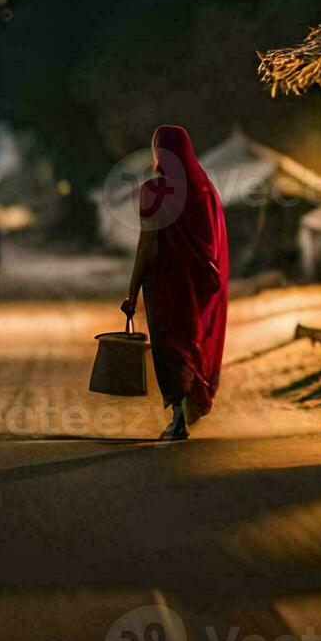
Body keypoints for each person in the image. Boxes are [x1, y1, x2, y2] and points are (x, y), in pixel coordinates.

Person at [121, 125, 230, 441]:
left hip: (167, 282)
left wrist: (132, 290)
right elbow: (214, 242)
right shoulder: (205, 190)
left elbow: (149, 244)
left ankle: (179, 418)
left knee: (171, 347)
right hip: (200, 284)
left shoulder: (155, 191)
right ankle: (189, 408)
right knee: (190, 342)